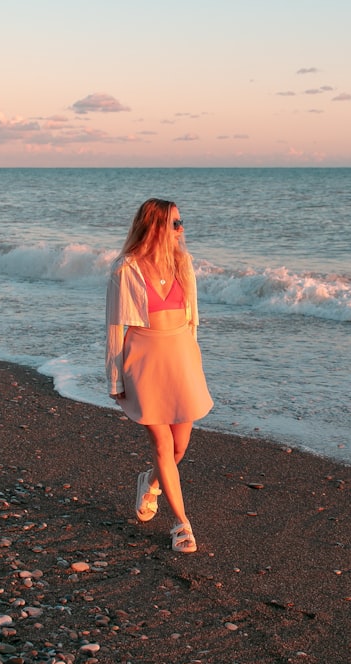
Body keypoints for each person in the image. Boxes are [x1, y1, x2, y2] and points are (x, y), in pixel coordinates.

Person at [105, 198, 213, 553]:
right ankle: (182, 525)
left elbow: (192, 321)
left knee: (180, 447)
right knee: (162, 445)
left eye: (181, 222)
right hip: (144, 361)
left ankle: (149, 483)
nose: (182, 230)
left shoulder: (184, 264)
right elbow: (114, 327)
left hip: (182, 358)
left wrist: (195, 364)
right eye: (176, 223)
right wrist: (115, 378)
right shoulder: (126, 269)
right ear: (156, 226)